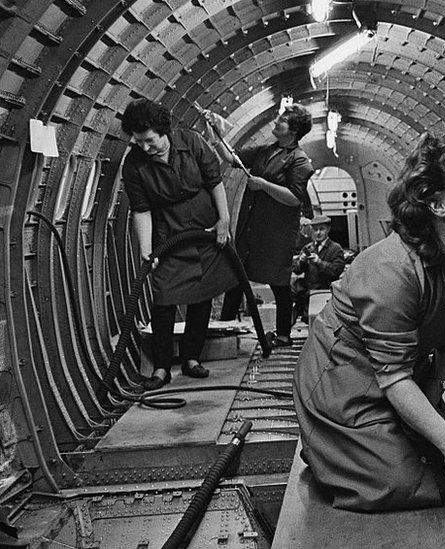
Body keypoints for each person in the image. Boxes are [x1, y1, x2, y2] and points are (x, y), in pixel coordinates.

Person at [293, 132, 445, 511]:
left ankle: (363, 449)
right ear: (436, 204)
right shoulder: (391, 269)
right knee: (398, 482)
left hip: (402, 376)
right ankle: (329, 451)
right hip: (342, 380)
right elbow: (395, 377)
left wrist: (434, 395)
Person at [120, 99, 237, 390]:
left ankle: (191, 358)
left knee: (201, 296)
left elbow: (215, 181)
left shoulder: (192, 142)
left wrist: (224, 220)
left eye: (150, 141)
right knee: (164, 300)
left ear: (164, 132)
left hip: (205, 230)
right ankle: (161, 367)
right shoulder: (134, 164)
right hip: (168, 235)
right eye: (138, 142)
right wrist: (147, 249)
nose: (145, 148)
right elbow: (141, 208)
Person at [204, 105, 315, 348]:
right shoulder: (267, 151)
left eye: (283, 120)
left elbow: (295, 197)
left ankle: (284, 335)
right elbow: (233, 158)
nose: (277, 121)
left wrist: (264, 185)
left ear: (294, 131)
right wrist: (214, 136)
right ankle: (226, 331)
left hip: (276, 233)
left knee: (279, 282)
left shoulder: (299, 161)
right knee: (237, 277)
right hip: (251, 228)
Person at [291, 215, 346, 323]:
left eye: (322, 229)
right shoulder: (308, 248)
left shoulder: (335, 249)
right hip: (309, 293)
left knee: (319, 321)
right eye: (315, 229)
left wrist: (319, 262)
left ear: (328, 230)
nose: (318, 233)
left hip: (325, 293)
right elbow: (297, 270)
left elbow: (337, 270)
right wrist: (302, 261)